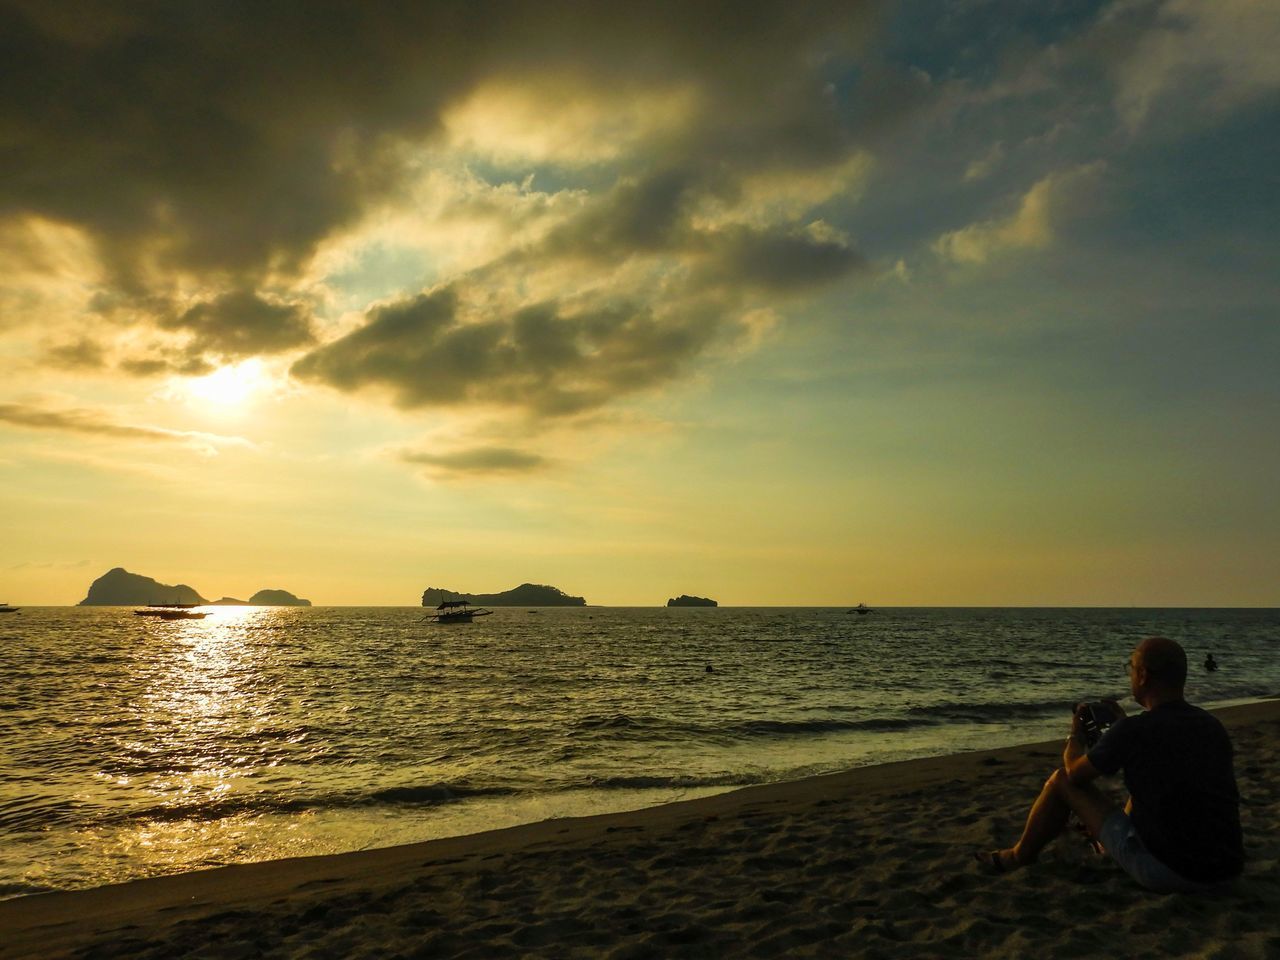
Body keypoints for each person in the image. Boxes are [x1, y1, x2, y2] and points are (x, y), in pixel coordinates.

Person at [976, 637, 1244, 892]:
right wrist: (1122, 728)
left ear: (1143, 676)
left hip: (1171, 873)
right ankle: (1109, 845)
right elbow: (1166, 767)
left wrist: (1075, 737)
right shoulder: (1211, 725)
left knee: (1059, 779)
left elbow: (1074, 775)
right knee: (1152, 783)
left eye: (1131, 668)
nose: (1130, 674)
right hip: (1226, 870)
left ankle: (1017, 856)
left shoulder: (1135, 731)